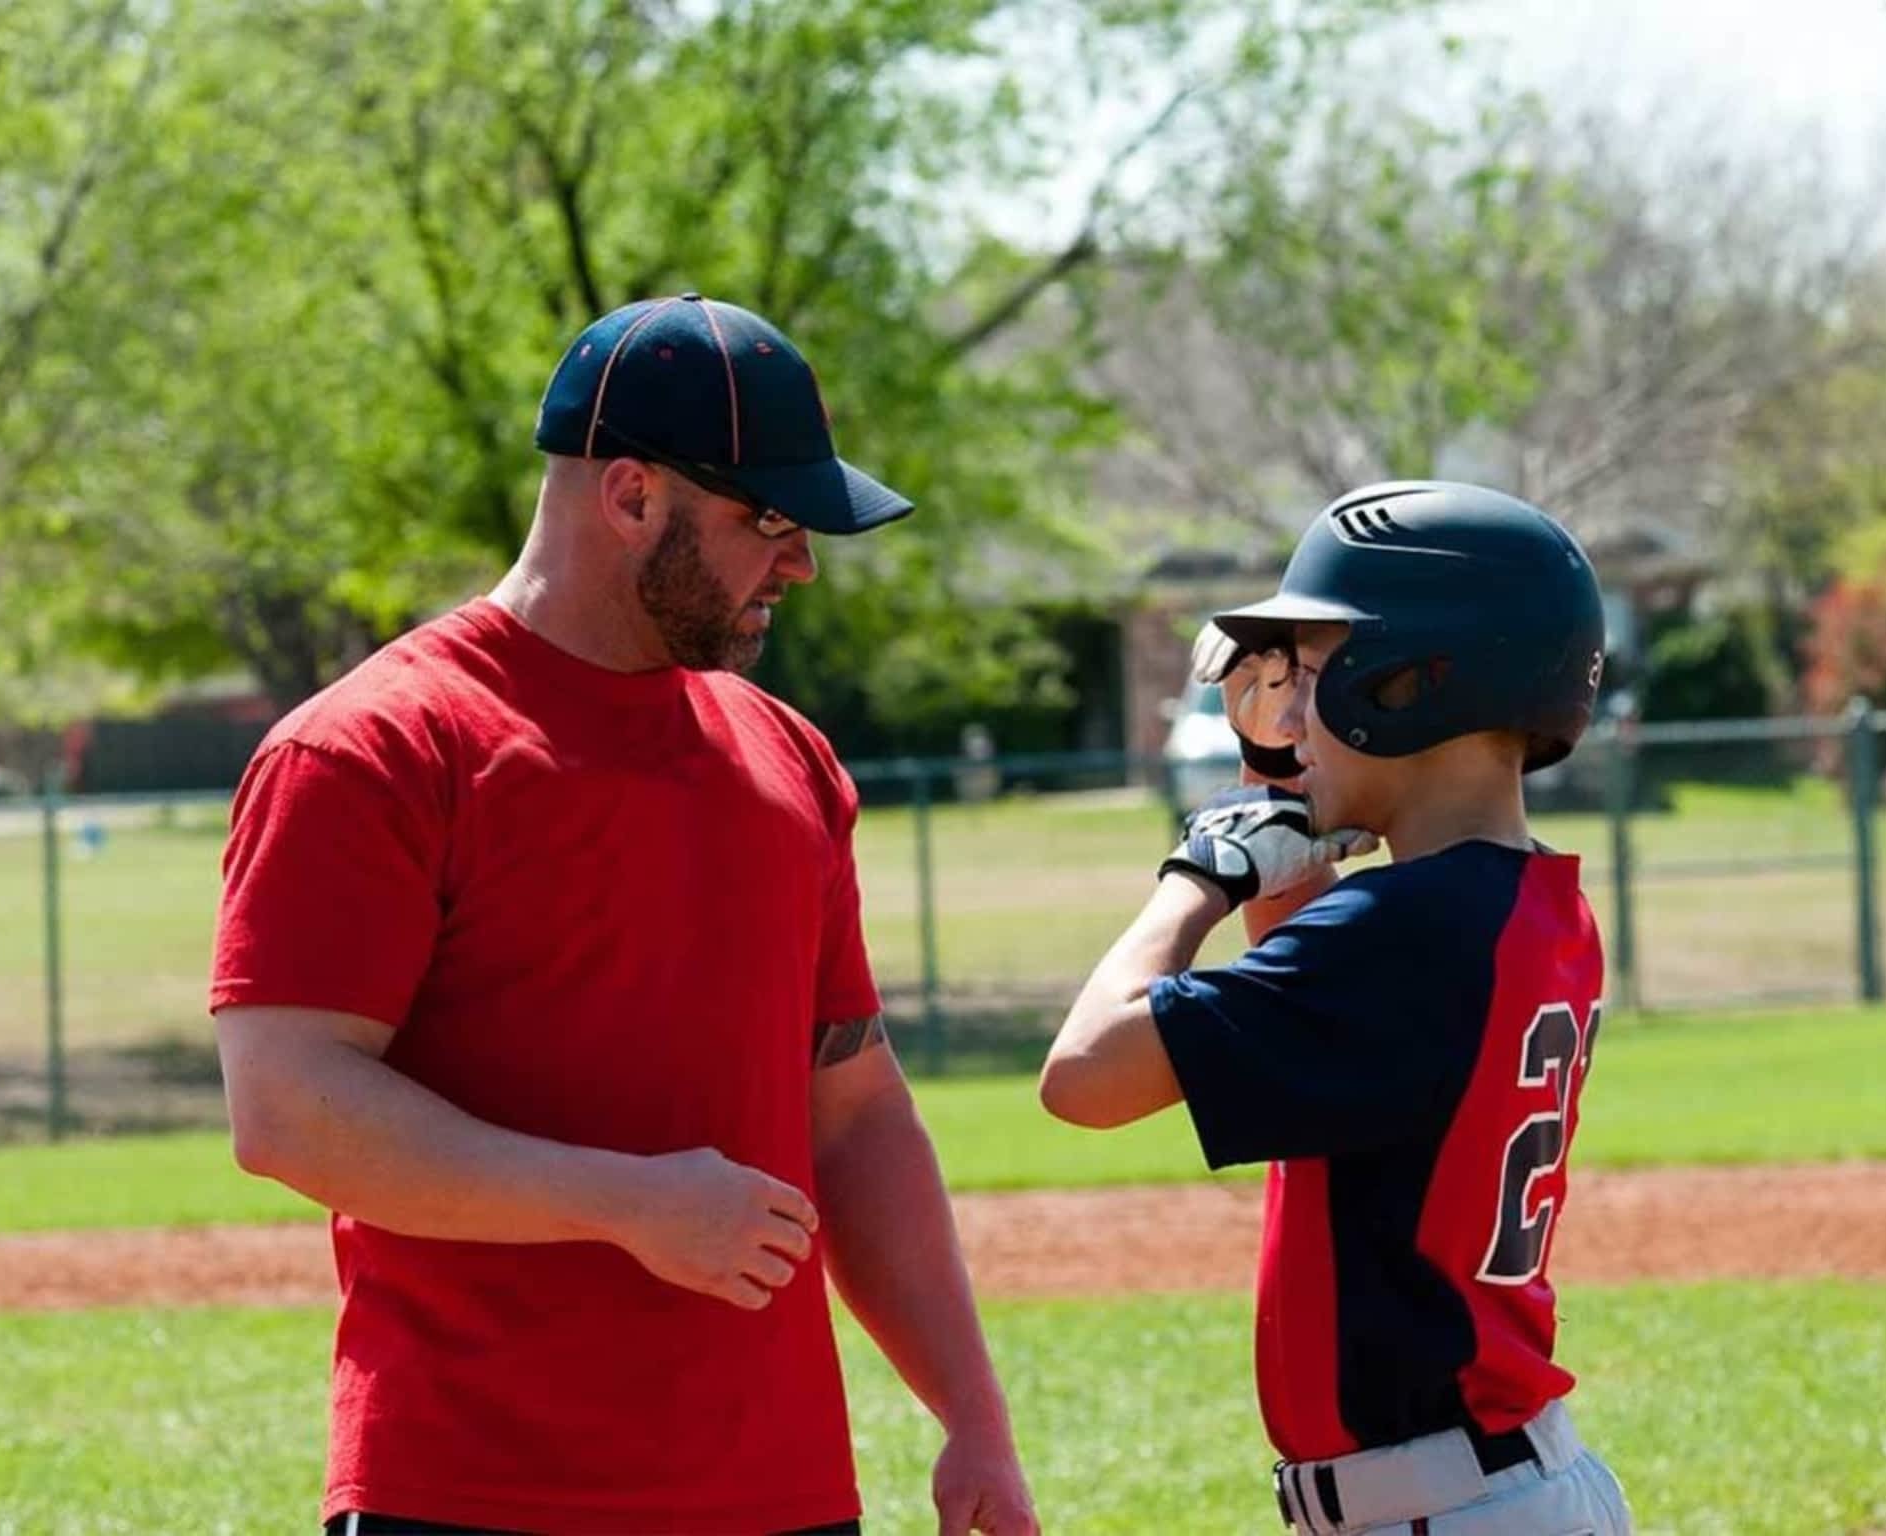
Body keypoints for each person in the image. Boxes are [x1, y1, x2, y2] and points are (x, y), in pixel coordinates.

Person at [211, 293, 1038, 1536]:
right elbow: (286, 1110)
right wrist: (625, 1201)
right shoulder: (370, 749)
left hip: (780, 1496)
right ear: (632, 496)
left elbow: (855, 1112)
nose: (801, 561)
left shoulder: (787, 757)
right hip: (470, 1494)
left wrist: (970, 1413)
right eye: (768, 519)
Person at [1039, 481, 1632, 1535]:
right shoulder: (1523, 902)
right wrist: (1278, 798)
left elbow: (1083, 1076)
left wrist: (1194, 878)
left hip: (1442, 1506)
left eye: (1312, 674)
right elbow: (1305, 1026)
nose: (1290, 709)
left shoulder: (1406, 928)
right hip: (1488, 1488)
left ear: (1408, 683)